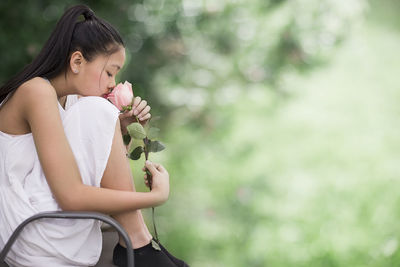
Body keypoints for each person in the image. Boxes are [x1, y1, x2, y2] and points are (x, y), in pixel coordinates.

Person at [0, 4, 188, 267]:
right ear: (77, 61)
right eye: (109, 72)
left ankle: (139, 242)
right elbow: (72, 196)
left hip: (47, 222)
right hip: (28, 232)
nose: (113, 83)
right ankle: (138, 244)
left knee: (96, 109)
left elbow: (88, 177)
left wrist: (120, 131)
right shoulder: (36, 92)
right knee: (97, 109)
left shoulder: (70, 101)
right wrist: (155, 197)